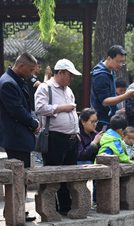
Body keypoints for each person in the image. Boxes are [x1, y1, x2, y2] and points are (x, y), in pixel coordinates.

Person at [0, 52, 41, 222]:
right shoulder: (8, 83)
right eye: (30, 70)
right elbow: (17, 110)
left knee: (22, 176)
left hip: (19, 136)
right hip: (15, 137)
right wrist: (34, 123)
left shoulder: (15, 80)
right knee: (19, 176)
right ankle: (15, 210)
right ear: (21, 66)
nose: (31, 74)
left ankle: (16, 209)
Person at [35, 58, 81, 216]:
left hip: (71, 138)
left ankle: (66, 206)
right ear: (60, 73)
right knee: (53, 174)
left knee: (70, 174)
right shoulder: (45, 88)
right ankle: (50, 208)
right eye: (70, 75)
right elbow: (39, 108)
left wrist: (76, 132)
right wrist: (61, 108)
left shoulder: (68, 90)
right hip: (54, 137)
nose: (72, 78)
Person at [90, 45, 134, 132]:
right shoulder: (101, 75)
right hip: (101, 120)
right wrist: (126, 96)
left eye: (123, 62)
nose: (121, 65)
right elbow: (105, 101)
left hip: (109, 118)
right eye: (119, 62)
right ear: (109, 58)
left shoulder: (110, 70)